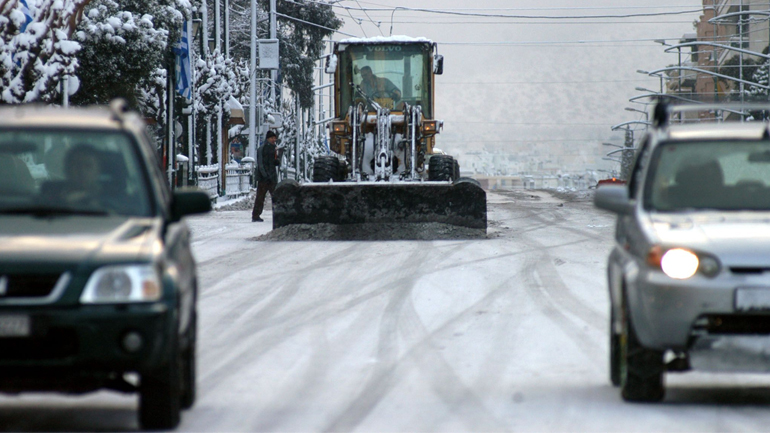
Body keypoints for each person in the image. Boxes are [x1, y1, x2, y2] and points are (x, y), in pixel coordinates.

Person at [251, 130, 280, 222]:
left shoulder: (274, 149)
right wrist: (265, 175)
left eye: (274, 138)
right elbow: (260, 164)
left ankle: (278, 215)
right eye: (272, 138)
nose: (273, 140)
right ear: (268, 138)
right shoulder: (262, 149)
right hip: (264, 178)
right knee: (261, 197)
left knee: (276, 197)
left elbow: (273, 162)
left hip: (272, 177)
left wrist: (277, 161)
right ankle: (256, 215)